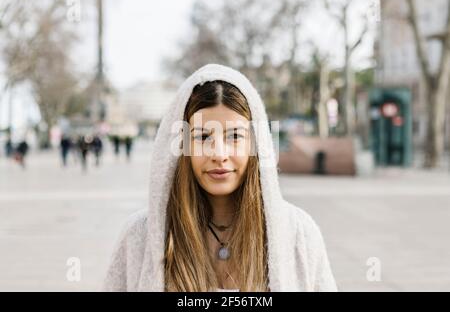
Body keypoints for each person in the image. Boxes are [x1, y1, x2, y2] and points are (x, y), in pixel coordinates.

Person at [102, 64, 337, 292]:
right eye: (202, 137)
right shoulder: (140, 237)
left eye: (235, 136)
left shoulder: (298, 233)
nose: (219, 154)